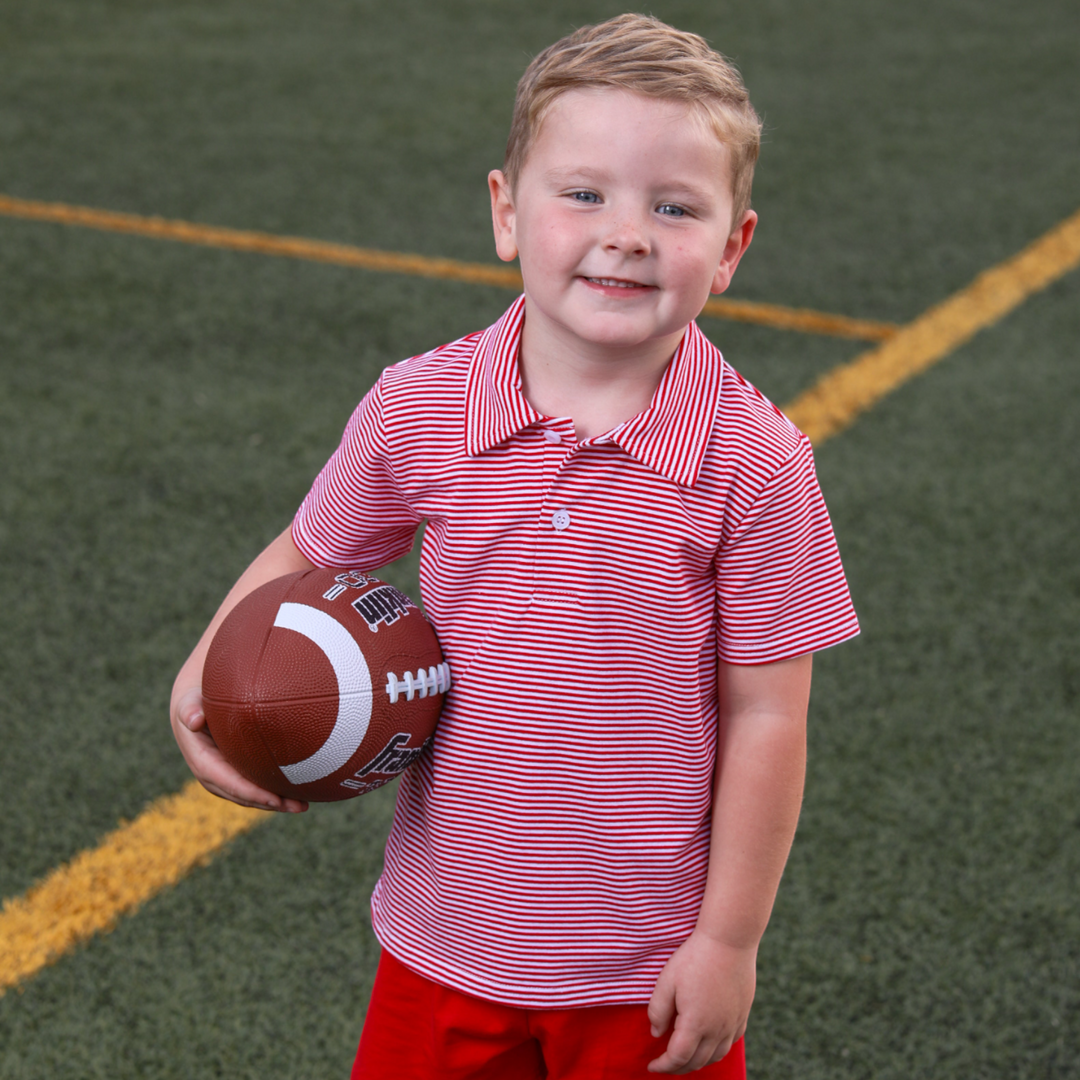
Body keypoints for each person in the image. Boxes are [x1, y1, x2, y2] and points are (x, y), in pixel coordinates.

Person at [170, 14, 859, 1078]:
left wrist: (727, 940)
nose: (626, 232)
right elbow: (304, 552)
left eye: (673, 208)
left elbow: (767, 711)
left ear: (731, 248)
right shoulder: (418, 405)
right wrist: (206, 673)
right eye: (583, 193)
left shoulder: (757, 461)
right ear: (506, 212)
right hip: (442, 944)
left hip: (643, 965)